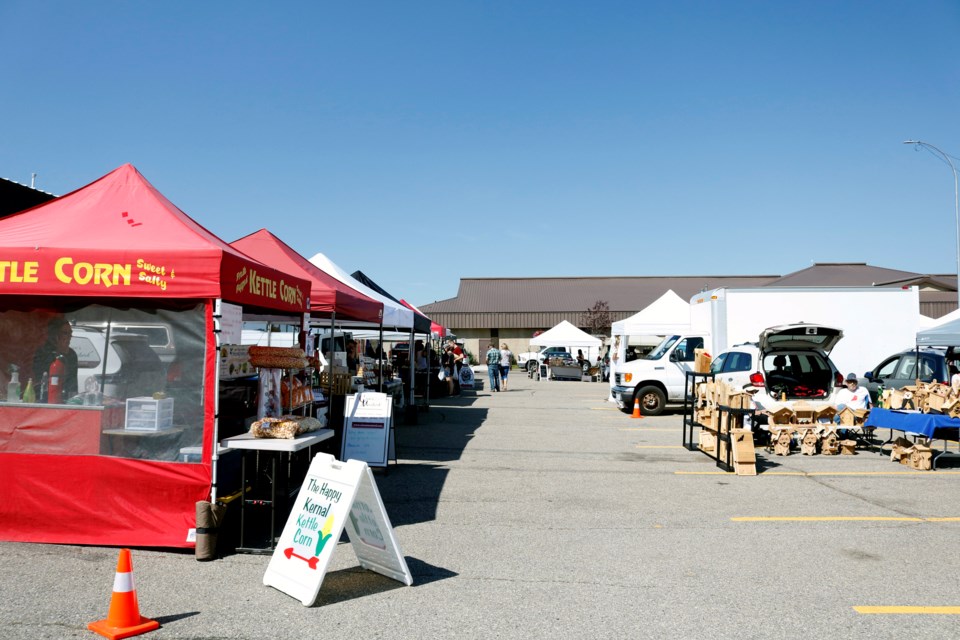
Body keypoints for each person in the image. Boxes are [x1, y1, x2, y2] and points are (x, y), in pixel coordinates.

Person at [33, 316, 79, 401]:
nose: (69, 337)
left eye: (70, 333)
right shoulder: (43, 353)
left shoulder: (71, 354)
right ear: (55, 335)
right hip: (45, 398)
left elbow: (73, 383)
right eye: (65, 333)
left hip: (65, 399)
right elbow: (41, 378)